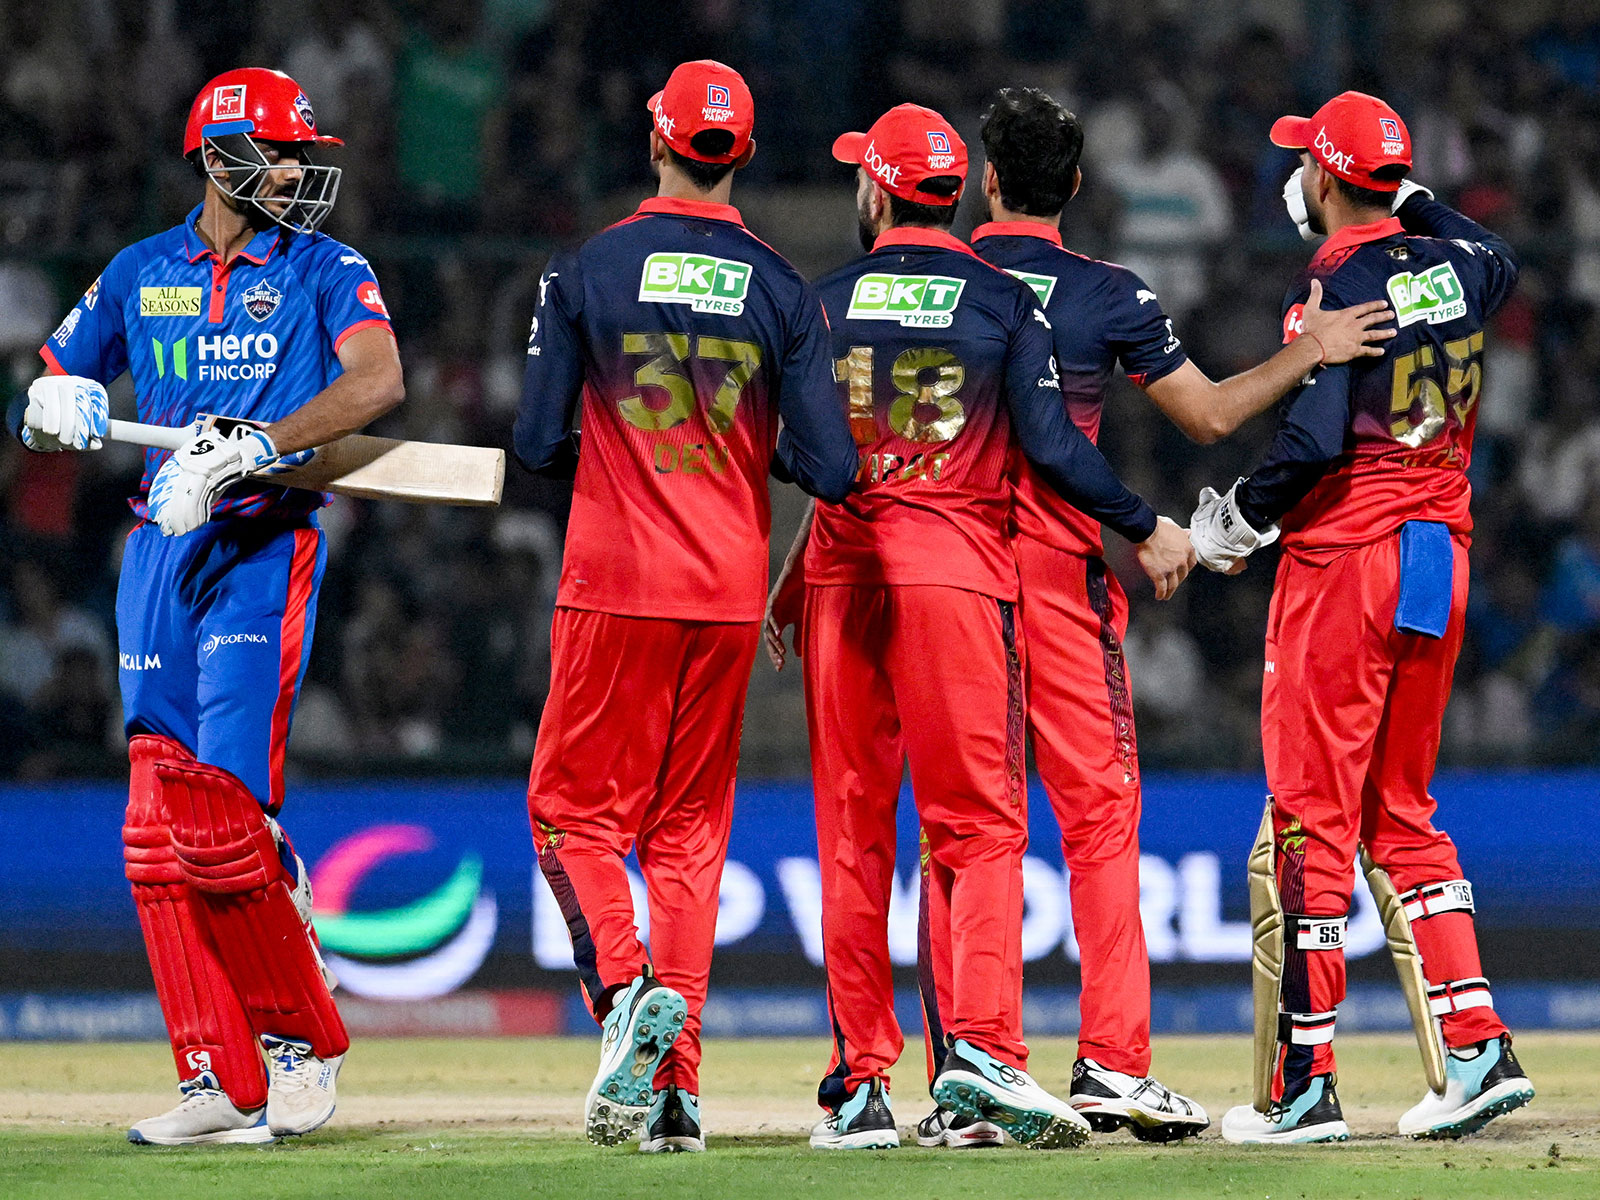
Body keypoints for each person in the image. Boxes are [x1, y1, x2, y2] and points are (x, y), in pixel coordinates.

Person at [912, 86, 1396, 1148]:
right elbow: (1211, 414)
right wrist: (1311, 350)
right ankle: (1110, 1066)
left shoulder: (939, 288)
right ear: (1078, 186)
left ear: (987, 183)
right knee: (1097, 821)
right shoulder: (1106, 293)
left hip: (945, 578)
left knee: (968, 829)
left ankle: (969, 1073)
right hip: (1057, 582)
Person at [766, 102, 1194, 1152]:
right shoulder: (1004, 303)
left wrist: (795, 575)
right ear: (960, 192)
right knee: (981, 827)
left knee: (854, 835)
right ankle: (984, 1055)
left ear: (878, 192)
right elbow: (1050, 447)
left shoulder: (820, 302)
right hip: (954, 576)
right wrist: (1143, 523)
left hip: (843, 577)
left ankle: (859, 1090)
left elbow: (804, 458)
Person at [10, 67, 404, 1144]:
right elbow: (50, 386)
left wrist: (258, 446)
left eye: (301, 155)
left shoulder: (326, 266)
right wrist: (47, 404)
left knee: (224, 807)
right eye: (280, 154)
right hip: (157, 550)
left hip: (260, 545)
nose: (296, 173)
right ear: (219, 155)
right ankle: (217, 1079)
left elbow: (377, 384)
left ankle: (296, 1044)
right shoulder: (140, 270)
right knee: (154, 829)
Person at [512, 60, 857, 1153]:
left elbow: (536, 443)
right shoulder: (781, 287)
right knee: (687, 840)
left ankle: (622, 997)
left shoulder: (586, 269)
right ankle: (675, 1097)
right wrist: (745, 442)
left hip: (616, 582)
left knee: (569, 817)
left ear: (655, 140)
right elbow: (833, 467)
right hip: (726, 593)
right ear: (741, 155)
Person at [1186, 91, 1536, 1143]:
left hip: (1347, 564)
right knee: (1402, 814)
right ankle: (1474, 1049)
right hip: (1438, 556)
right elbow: (1497, 257)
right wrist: (1408, 195)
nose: (1296, 175)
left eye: (1307, 161)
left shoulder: (1335, 286)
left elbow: (1310, 443)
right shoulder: (1460, 267)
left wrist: (1237, 521)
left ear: (1328, 180)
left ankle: (1303, 1084)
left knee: (1308, 820)